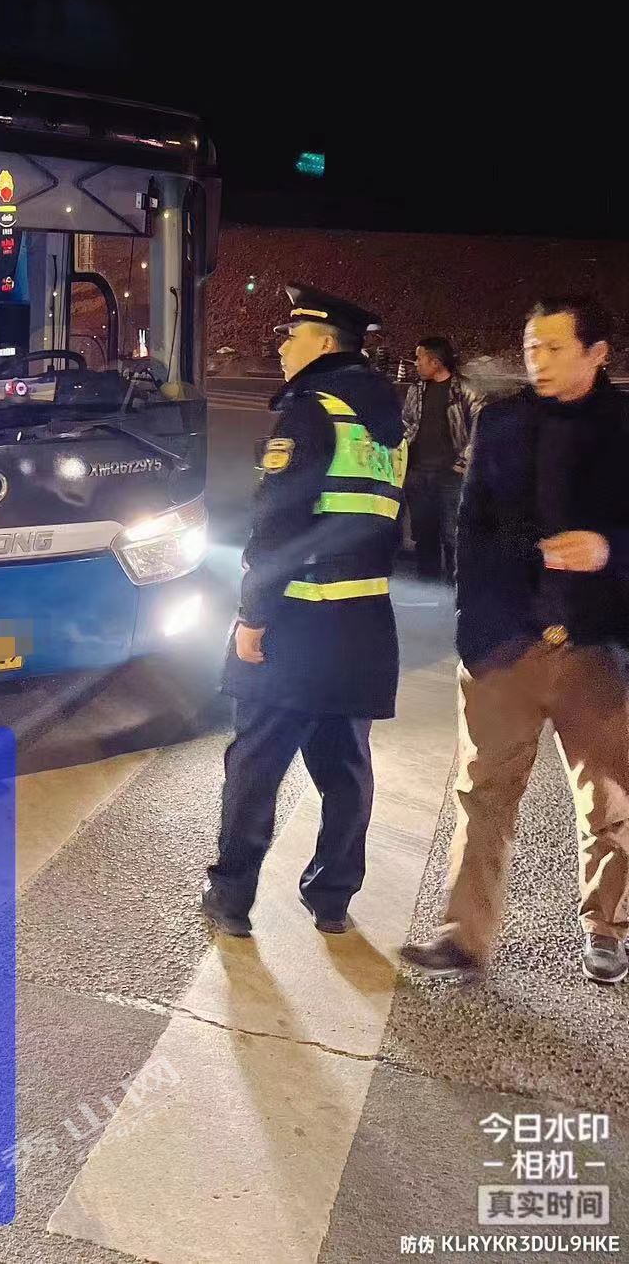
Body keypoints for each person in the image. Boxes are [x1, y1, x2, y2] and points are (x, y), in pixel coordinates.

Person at [402, 296, 629, 985]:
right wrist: (475, 631)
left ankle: (605, 927)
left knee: (612, 800)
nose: (539, 361)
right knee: (484, 795)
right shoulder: (502, 421)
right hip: (506, 644)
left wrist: (609, 550)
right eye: (532, 348)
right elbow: (472, 529)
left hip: (598, 648)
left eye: (556, 347)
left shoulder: (624, 427)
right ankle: (463, 936)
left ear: (598, 353)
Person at [201, 285, 406, 937]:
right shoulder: (385, 421)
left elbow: (279, 524)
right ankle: (333, 898)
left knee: (256, 765)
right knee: (345, 770)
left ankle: (231, 897)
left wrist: (253, 618)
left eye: (291, 335)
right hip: (363, 622)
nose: (283, 346)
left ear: (323, 341)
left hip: (297, 620)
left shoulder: (312, 410)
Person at [401, 336, 482, 580]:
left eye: (419, 358)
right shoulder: (416, 390)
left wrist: (463, 463)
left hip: (451, 475)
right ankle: (427, 584)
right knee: (424, 534)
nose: (416, 363)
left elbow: (480, 428)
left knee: (452, 534)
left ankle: (456, 586)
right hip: (418, 473)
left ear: (435, 362)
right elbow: (407, 423)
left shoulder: (465, 390)